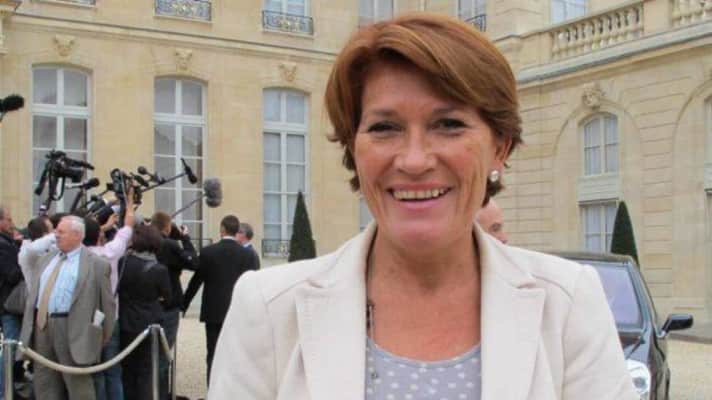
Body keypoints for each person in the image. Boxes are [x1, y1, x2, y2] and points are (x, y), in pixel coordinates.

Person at [208, 14, 637, 400]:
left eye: (448, 125)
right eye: (385, 127)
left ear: (500, 147)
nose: (414, 160)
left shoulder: (569, 305)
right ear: (354, 148)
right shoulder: (268, 309)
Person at [18, 215, 115, 400]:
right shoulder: (45, 259)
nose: (56, 235)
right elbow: (28, 252)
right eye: (56, 231)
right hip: (42, 326)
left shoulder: (96, 264)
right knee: (45, 383)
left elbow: (107, 305)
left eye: (61, 232)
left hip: (73, 328)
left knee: (78, 385)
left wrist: (100, 336)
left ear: (77, 235)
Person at [183, 215, 258, 384]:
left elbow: (196, 281)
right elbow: (252, 285)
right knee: (235, 354)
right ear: (236, 231)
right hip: (237, 312)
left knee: (213, 353)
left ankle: (213, 389)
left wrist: (184, 303)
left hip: (213, 311)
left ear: (222, 229)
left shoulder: (208, 252)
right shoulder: (247, 255)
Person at [85, 188, 136, 400]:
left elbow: (81, 229)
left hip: (87, 317)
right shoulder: (110, 253)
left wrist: (102, 226)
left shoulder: (80, 255)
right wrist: (129, 202)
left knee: (94, 369)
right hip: (110, 315)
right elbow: (128, 226)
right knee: (113, 369)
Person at [117, 224, 171, 400]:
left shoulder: (123, 263)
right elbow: (168, 298)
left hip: (126, 320)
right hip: (149, 323)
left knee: (127, 370)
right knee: (147, 371)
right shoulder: (159, 269)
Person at [150, 211, 198, 398]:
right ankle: (162, 394)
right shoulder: (169, 245)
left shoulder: (145, 242)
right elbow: (193, 262)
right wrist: (185, 238)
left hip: (148, 304)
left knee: (148, 355)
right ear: (167, 227)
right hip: (168, 305)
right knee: (164, 353)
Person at [0, 206, 23, 400]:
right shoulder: (3, 245)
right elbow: (12, 275)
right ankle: (3, 391)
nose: (12, 223)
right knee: (10, 349)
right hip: (8, 304)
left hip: (6, 303)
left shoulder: (8, 243)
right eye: (8, 219)